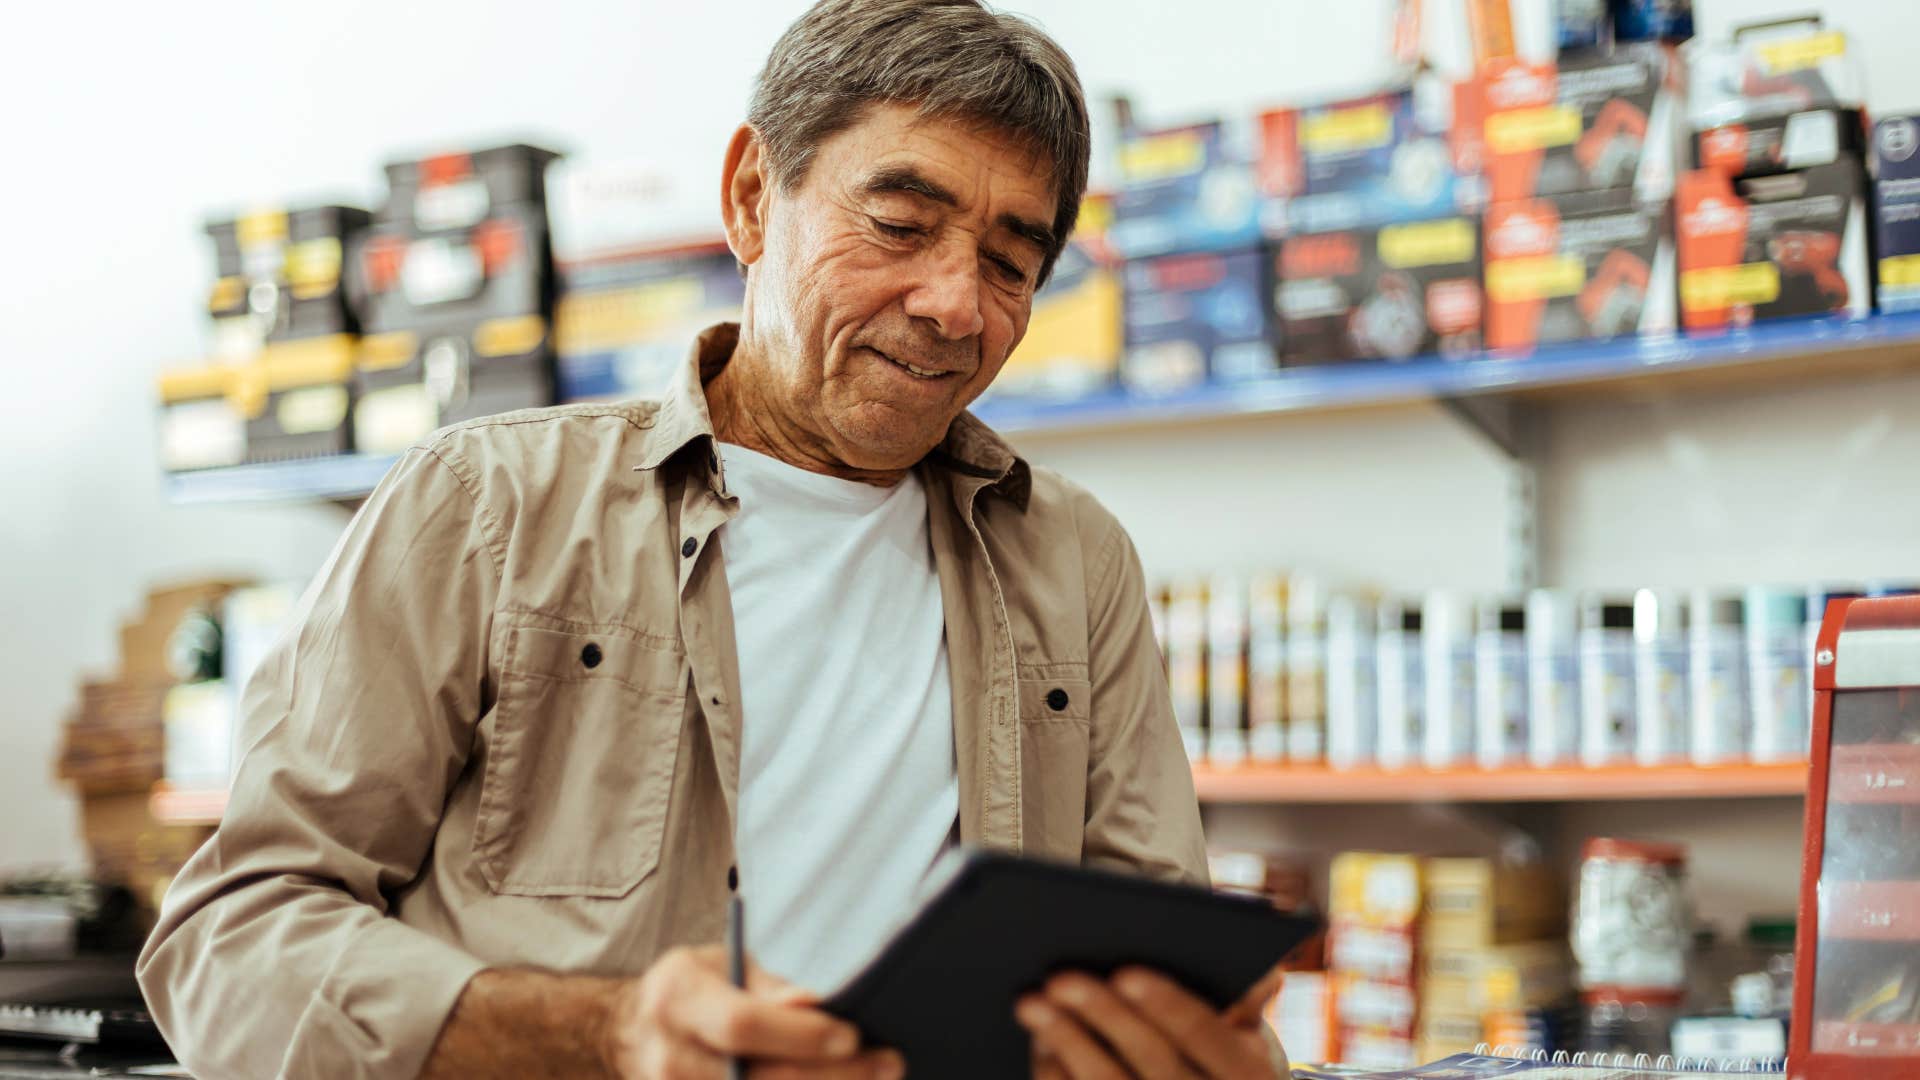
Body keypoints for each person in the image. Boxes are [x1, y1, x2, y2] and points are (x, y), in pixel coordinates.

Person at [137, 2, 1289, 1077]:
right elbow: (230, 944)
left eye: (1010, 262)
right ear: (750, 197)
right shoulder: (485, 503)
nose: (956, 305)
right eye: (898, 224)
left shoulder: (1072, 558)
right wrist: (605, 1033)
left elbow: (1164, 980)